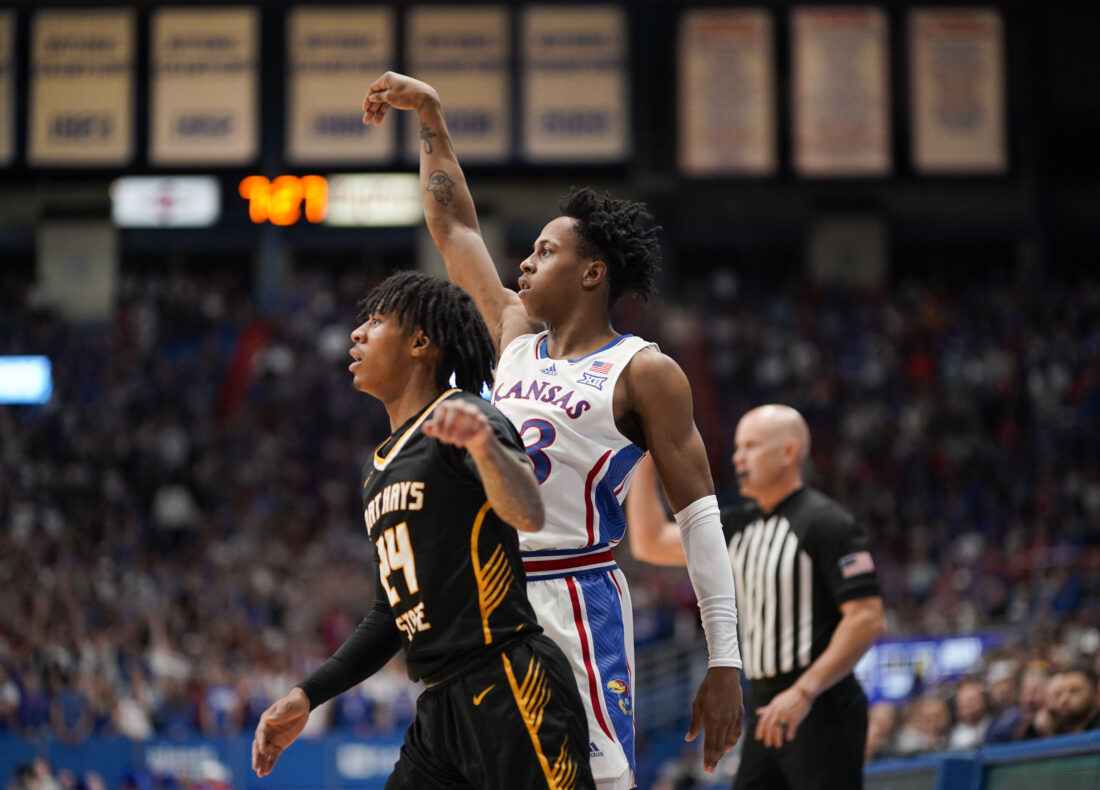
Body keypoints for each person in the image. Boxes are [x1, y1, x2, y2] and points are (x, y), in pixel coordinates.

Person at [360, 73, 744, 788]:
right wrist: (431, 115)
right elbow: (455, 229)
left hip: (573, 600)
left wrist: (725, 660)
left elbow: (699, 519)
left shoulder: (644, 371)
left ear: (592, 273)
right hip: (488, 606)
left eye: (544, 251)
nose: (525, 262)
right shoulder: (513, 333)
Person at [251, 272, 595, 789]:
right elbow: (389, 615)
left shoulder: (464, 415)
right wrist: (308, 694)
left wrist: (486, 447)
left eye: (376, 321)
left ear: (420, 342)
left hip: (507, 683)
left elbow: (527, 512)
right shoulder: (376, 469)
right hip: (439, 709)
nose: (357, 333)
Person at [626, 404, 885, 789]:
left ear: (788, 452)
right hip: (765, 705)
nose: (737, 457)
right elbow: (648, 542)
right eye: (737, 447)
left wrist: (804, 691)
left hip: (822, 705)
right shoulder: (738, 526)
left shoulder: (827, 523)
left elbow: (866, 618)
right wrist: (645, 454)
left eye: (750, 446)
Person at [1045, 666, 1100, 735]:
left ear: (1096, 695)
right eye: (1058, 694)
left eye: (1074, 691)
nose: (1063, 700)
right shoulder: (1049, 732)